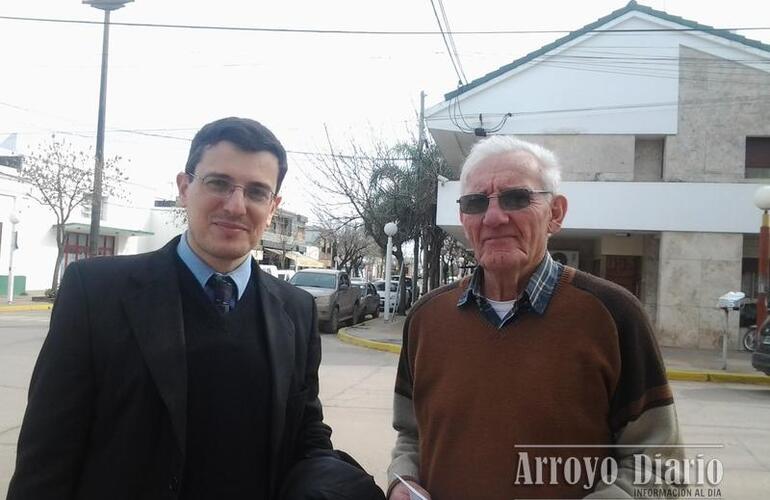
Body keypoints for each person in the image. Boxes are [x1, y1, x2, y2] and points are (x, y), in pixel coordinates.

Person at [8, 117, 382, 500]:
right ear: (184, 188)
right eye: (218, 183)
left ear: (273, 207)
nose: (236, 206)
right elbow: (48, 453)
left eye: (256, 192)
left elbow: (305, 433)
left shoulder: (294, 310)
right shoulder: (96, 293)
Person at [387, 136, 683, 499]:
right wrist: (402, 481)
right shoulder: (425, 319)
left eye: (516, 198)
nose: (494, 217)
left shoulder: (614, 315)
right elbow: (412, 435)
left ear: (555, 213)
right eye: (476, 203)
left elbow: (656, 464)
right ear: (464, 219)